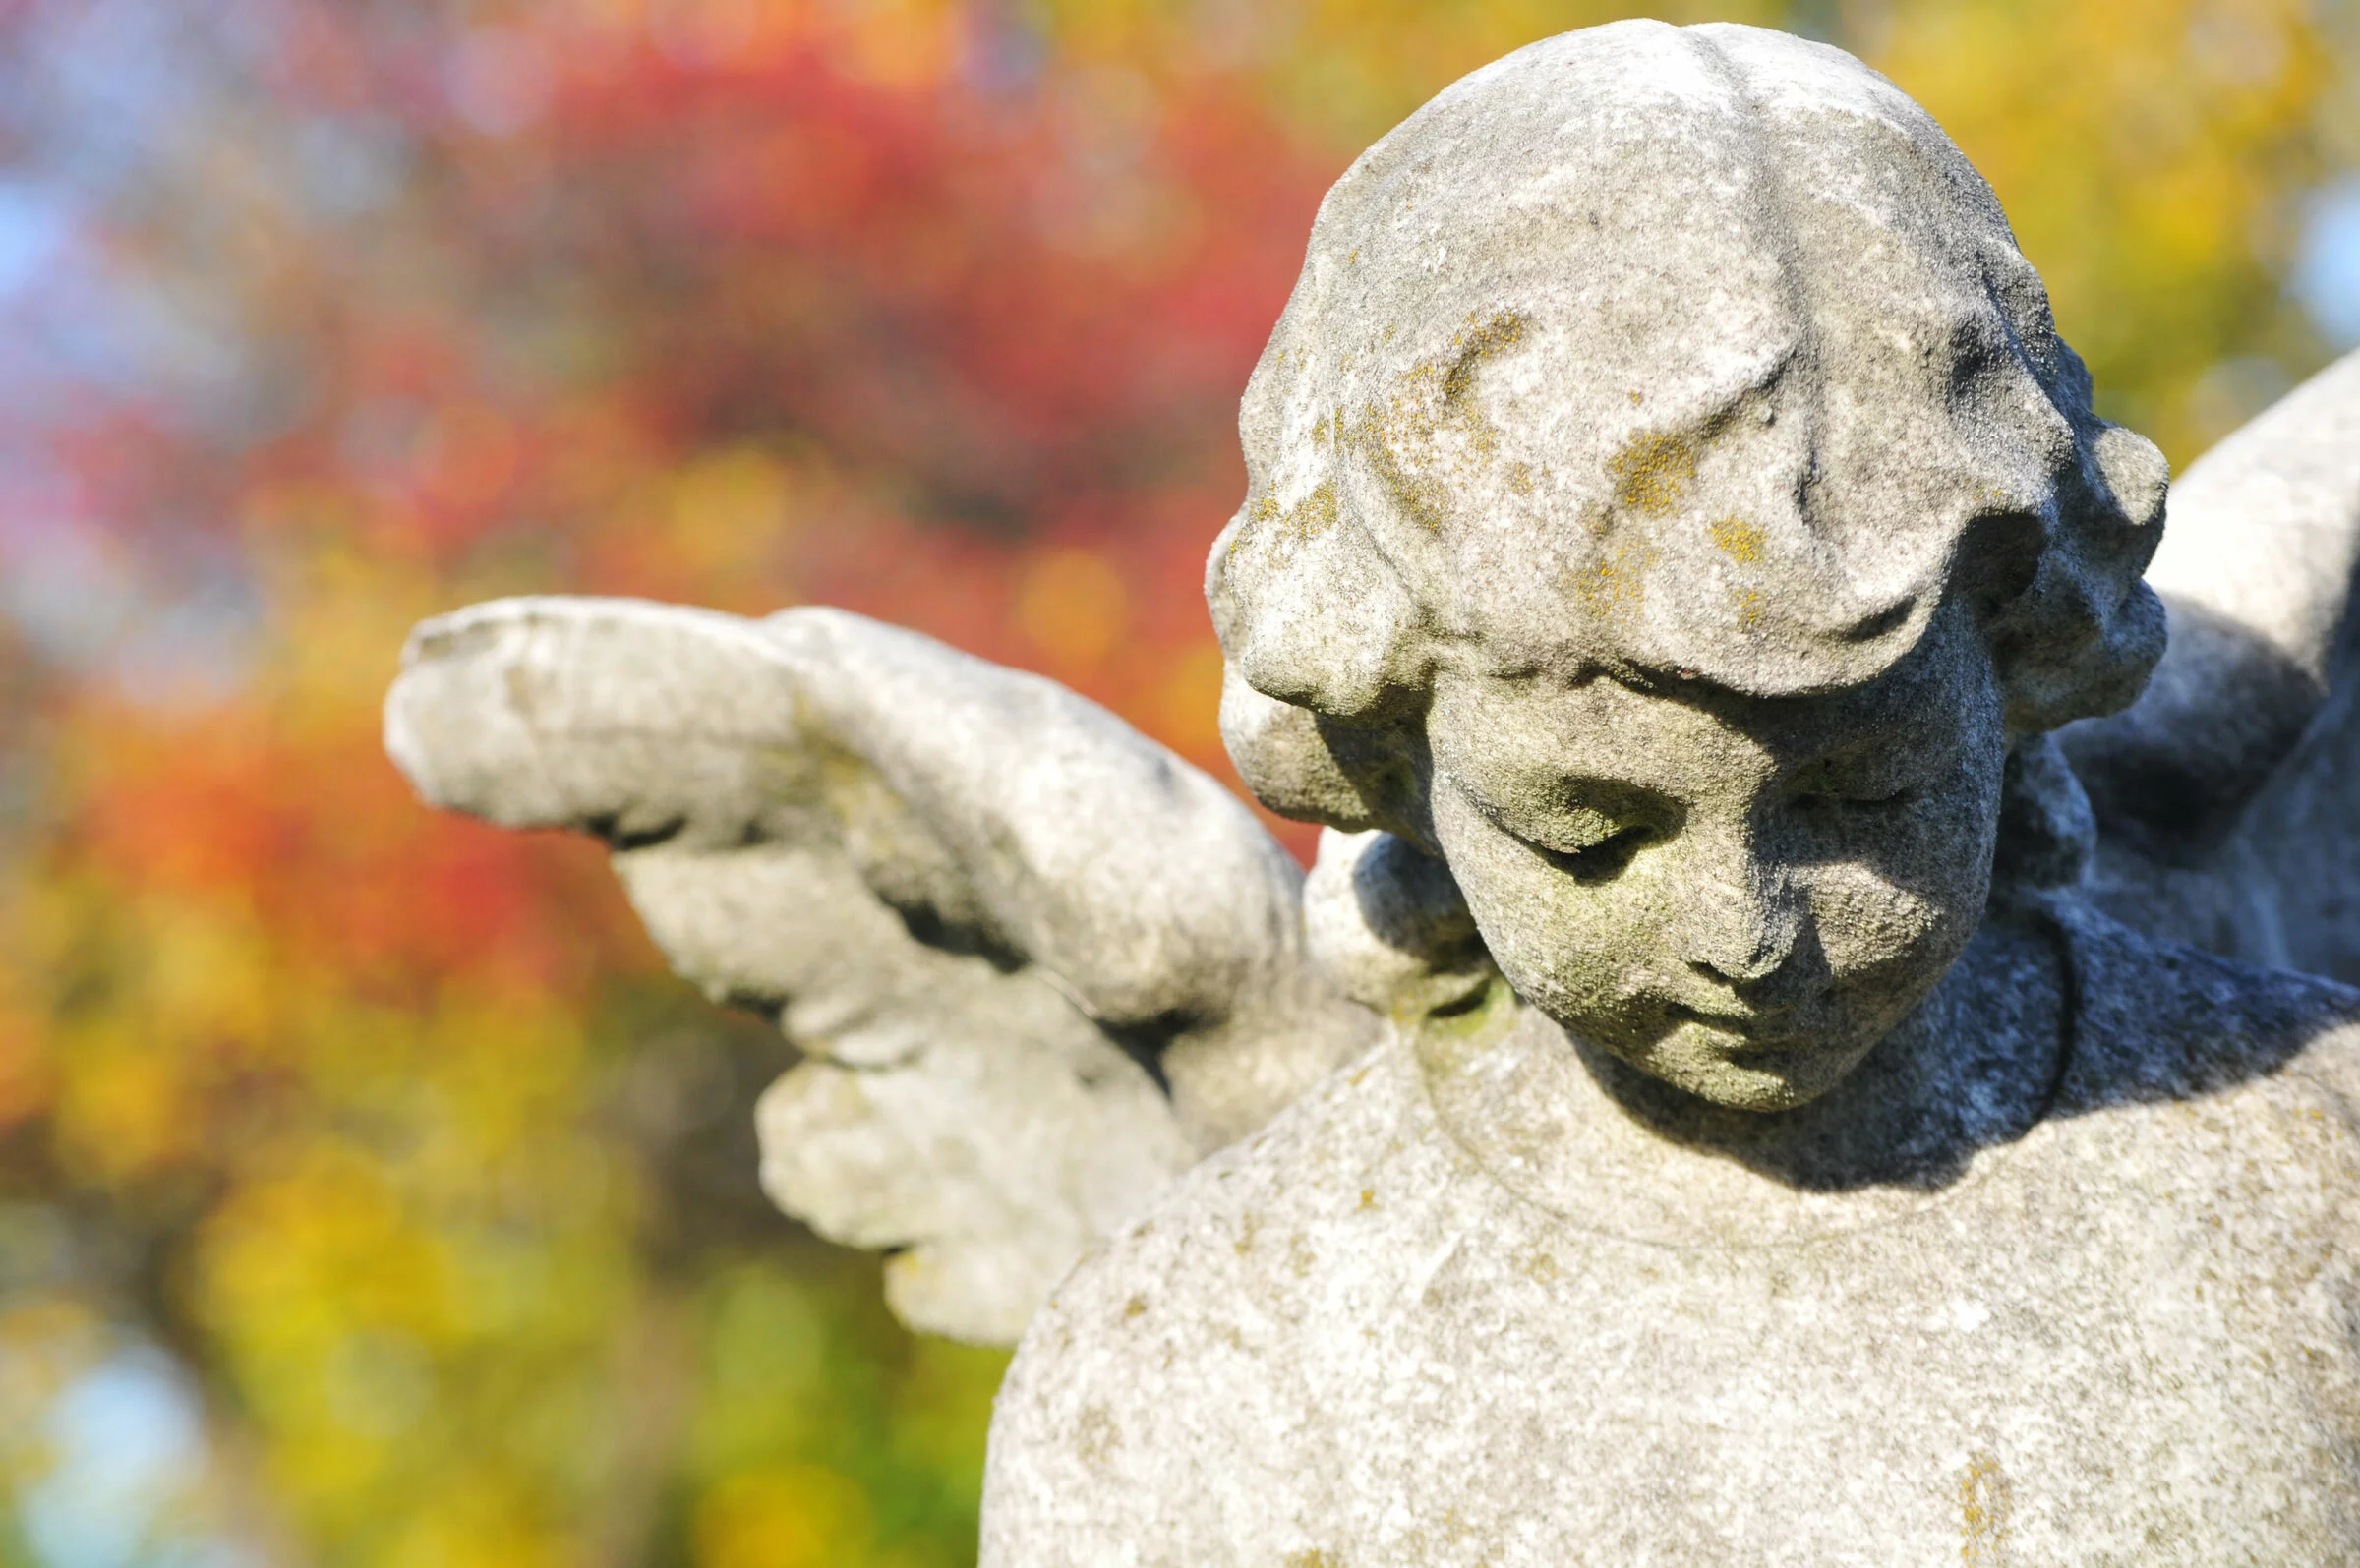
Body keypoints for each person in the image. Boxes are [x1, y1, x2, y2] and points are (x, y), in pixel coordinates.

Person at [976, 21, 2360, 1562]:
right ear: (1397, 762)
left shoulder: (2315, 1191)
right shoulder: (1191, 1372)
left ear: (2024, 687)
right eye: (1593, 830)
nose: (1745, 932)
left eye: (1863, 798)